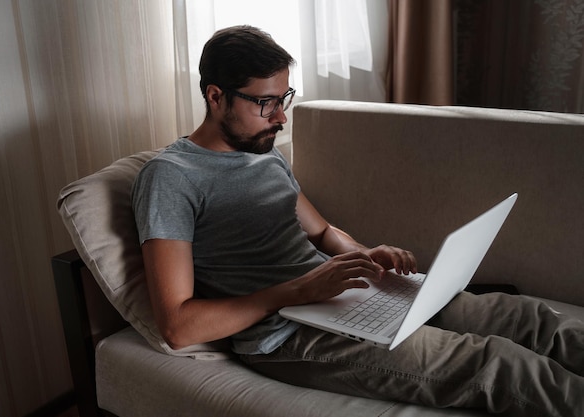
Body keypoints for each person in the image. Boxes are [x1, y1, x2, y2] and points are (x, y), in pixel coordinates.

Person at [132, 25, 584, 417]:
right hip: (288, 335)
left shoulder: (262, 154)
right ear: (215, 96)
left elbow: (323, 231)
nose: (282, 117)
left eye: (283, 99)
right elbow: (178, 325)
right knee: (495, 363)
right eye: (266, 104)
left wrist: (365, 257)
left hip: (346, 298)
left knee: (525, 317)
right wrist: (300, 291)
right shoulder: (170, 178)